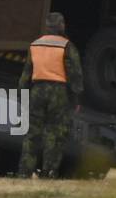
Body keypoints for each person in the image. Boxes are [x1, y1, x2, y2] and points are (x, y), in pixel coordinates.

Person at [17, 12, 84, 178]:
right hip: (58, 93)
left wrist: (22, 95)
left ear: (47, 26)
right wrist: (77, 97)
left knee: (32, 134)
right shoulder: (67, 46)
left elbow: (26, 74)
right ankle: (49, 172)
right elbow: (75, 74)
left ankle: (24, 172)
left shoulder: (35, 45)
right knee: (55, 133)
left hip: (37, 91)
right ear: (62, 25)